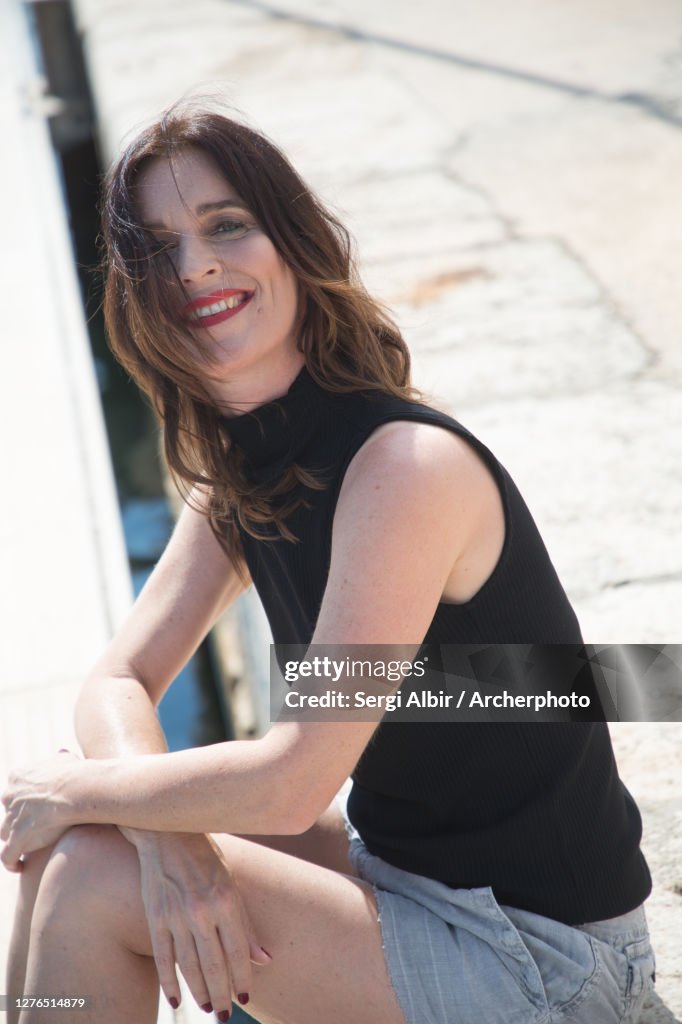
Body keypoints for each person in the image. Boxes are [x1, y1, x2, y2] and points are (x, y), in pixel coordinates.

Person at [2, 103, 656, 1024]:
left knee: (84, 865)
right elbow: (119, 677)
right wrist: (161, 838)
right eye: (157, 249)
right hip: (410, 883)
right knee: (84, 840)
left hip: (547, 959)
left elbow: (296, 779)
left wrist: (74, 790)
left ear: (293, 241)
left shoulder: (402, 468)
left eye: (225, 226)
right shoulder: (244, 471)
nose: (195, 266)